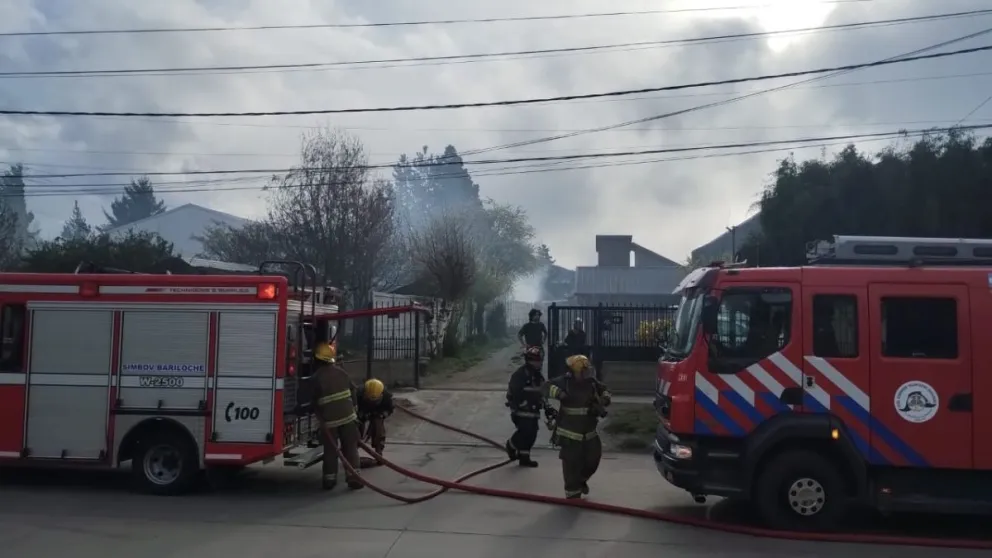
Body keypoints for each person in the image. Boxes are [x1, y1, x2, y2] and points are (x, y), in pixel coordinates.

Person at [543, 354, 612, 499]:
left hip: (589, 432)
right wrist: (559, 393)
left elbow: (604, 389)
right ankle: (572, 494)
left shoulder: (592, 382)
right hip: (569, 433)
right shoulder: (565, 382)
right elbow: (545, 386)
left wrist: (603, 400)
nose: (587, 375)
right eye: (583, 372)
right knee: (571, 464)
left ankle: (581, 480)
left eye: (588, 371)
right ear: (573, 372)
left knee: (593, 459)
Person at [311, 341, 364, 491]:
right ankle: (354, 477)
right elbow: (353, 391)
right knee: (350, 448)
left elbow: (312, 400)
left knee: (330, 451)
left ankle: (329, 480)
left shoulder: (316, 378)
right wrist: (354, 410)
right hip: (349, 418)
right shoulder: (342, 372)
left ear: (317, 359)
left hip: (330, 422)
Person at [504, 346, 546, 467]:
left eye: (540, 360)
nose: (539, 363)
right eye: (536, 360)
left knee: (532, 433)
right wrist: (520, 404)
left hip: (534, 411)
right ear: (529, 360)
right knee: (524, 432)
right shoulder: (520, 374)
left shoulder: (538, 376)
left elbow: (542, 390)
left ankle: (524, 457)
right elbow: (514, 392)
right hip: (521, 411)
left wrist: (543, 401)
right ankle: (511, 446)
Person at [355, 378, 394, 459]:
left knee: (378, 426)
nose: (372, 402)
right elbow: (353, 407)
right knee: (356, 427)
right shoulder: (358, 394)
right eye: (369, 399)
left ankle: (379, 449)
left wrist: (382, 415)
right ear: (365, 394)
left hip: (378, 412)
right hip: (363, 410)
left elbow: (389, 409)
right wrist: (359, 414)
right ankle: (354, 448)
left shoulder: (386, 396)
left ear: (381, 395)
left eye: (375, 401)